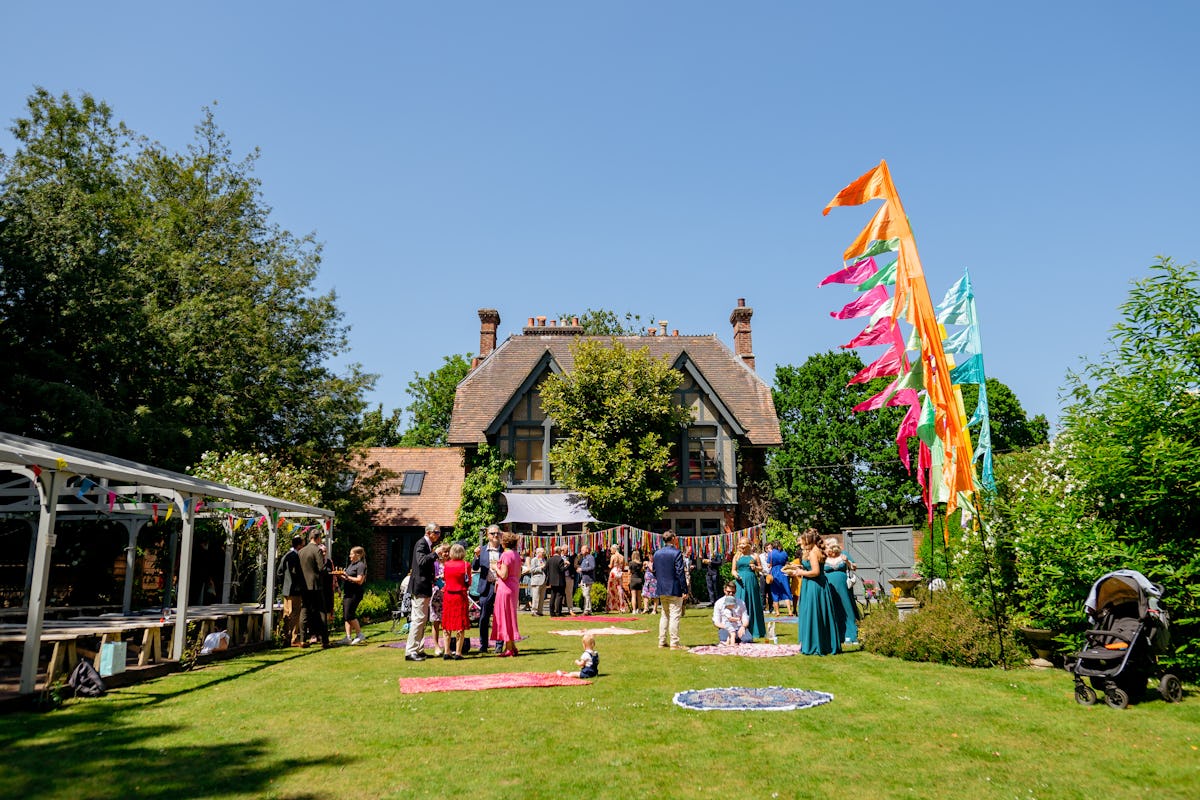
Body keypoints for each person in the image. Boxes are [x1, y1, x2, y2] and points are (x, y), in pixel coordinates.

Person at [788, 530, 840, 656]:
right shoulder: (817, 550)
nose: (801, 542)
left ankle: (814, 644)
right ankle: (823, 643)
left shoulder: (813, 552)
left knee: (812, 613)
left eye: (803, 540)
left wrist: (800, 573)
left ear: (808, 540)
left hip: (814, 585)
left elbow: (816, 572)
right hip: (817, 585)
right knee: (819, 614)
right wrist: (801, 568)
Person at [404, 523, 442, 662]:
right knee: (418, 619)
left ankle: (419, 649)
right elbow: (421, 562)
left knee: (422, 620)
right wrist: (435, 554)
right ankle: (411, 651)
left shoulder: (427, 545)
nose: (439, 535)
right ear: (429, 532)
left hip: (424, 586)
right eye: (437, 532)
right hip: (419, 587)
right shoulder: (421, 543)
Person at [653, 531, 688, 649]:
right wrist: (685, 589)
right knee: (674, 615)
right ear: (673, 538)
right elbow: (680, 571)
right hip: (674, 587)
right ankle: (674, 642)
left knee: (664, 614)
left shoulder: (657, 553)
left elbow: (654, 570)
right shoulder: (676, 552)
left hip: (661, 588)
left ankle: (662, 641)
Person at [492, 532, 522, 656]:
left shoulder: (505, 555)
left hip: (505, 588)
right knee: (510, 615)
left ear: (504, 543)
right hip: (514, 587)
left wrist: (495, 567)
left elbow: (503, 575)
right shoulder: (516, 555)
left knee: (504, 617)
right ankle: (512, 645)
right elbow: (518, 574)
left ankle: (509, 647)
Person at [473, 526, 503, 654]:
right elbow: (475, 566)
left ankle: (499, 644)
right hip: (486, 586)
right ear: (487, 535)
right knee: (484, 617)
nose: (495, 535)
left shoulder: (504, 550)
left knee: (500, 617)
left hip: (501, 586)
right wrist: (476, 556)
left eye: (497, 533)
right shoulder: (482, 550)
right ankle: (483, 644)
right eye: (492, 533)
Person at [823, 537, 859, 645]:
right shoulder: (824, 556)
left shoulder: (843, 554)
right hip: (829, 586)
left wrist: (847, 561)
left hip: (843, 586)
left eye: (827, 545)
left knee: (846, 608)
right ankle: (835, 635)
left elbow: (854, 567)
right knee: (832, 608)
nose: (825, 548)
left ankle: (851, 634)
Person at [298, 531, 329, 649]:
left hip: (304, 586)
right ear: (317, 538)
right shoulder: (317, 550)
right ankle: (324, 640)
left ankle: (302, 639)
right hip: (315, 585)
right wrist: (329, 573)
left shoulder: (301, 551)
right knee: (321, 611)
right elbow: (321, 568)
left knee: (304, 610)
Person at [440, 543, 470, 659]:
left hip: (448, 595)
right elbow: (468, 582)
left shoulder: (446, 565)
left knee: (447, 624)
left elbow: (445, 579)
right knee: (460, 624)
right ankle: (458, 652)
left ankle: (447, 651)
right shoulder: (466, 565)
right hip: (460, 596)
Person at [733, 537, 766, 640]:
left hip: (751, 581)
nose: (742, 546)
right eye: (740, 544)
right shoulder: (737, 556)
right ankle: (738, 628)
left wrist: (755, 568)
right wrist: (736, 575)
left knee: (752, 602)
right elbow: (733, 570)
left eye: (744, 544)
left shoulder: (755, 556)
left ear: (749, 544)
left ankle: (754, 628)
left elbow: (761, 568)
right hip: (740, 582)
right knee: (740, 602)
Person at [275, 534, 305, 647]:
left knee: (287, 614)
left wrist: (285, 584)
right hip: (294, 591)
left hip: (286, 590)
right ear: (299, 546)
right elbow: (295, 573)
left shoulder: (286, 555)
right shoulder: (294, 556)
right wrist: (296, 584)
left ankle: (285, 637)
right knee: (295, 614)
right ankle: (293, 638)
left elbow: (279, 572)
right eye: (303, 545)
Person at [336, 546, 368, 645]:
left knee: (350, 614)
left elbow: (359, 580)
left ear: (357, 555)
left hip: (355, 593)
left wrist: (347, 576)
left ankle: (359, 634)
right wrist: (340, 575)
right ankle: (348, 637)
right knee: (346, 615)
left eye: (351, 554)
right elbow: (348, 577)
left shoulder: (361, 565)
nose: (350, 556)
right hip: (348, 592)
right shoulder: (351, 565)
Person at [711, 581, 753, 645]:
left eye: (733, 592)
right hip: (725, 626)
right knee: (724, 639)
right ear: (724, 590)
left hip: (739, 626)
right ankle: (734, 641)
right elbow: (716, 622)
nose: (731, 594)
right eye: (728, 592)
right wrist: (726, 627)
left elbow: (745, 618)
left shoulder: (741, 603)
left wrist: (743, 627)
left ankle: (737, 640)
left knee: (748, 639)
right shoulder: (719, 603)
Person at [429, 543, 449, 656]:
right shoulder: (434, 564)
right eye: (443, 551)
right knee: (435, 621)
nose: (445, 554)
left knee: (446, 622)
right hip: (436, 594)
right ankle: (436, 646)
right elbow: (431, 578)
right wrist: (437, 578)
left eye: (447, 551)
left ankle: (447, 647)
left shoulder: (450, 564)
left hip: (447, 594)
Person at [766, 541, 794, 617]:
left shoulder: (771, 554)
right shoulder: (784, 553)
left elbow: (768, 565)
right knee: (785, 590)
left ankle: (777, 612)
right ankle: (790, 611)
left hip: (774, 572)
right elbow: (787, 562)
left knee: (775, 592)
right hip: (783, 572)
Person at [525, 547, 548, 615]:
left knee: (542, 597)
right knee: (535, 597)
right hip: (536, 581)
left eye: (544, 552)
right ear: (538, 553)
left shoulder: (544, 560)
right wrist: (541, 568)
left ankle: (540, 611)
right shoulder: (534, 560)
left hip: (544, 581)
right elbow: (532, 570)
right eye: (542, 552)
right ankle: (534, 611)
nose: (544, 553)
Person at [545, 543, 567, 616]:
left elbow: (545, 569)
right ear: (559, 551)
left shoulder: (549, 559)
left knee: (553, 596)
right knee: (559, 596)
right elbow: (562, 570)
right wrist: (567, 565)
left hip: (552, 580)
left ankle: (551, 612)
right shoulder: (560, 560)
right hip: (559, 581)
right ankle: (558, 612)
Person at [607, 547, 628, 612]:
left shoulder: (613, 556)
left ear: (614, 549)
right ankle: (622, 607)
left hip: (614, 572)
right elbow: (624, 567)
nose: (611, 551)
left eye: (611, 550)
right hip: (620, 572)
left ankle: (609, 607)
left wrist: (608, 566)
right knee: (620, 589)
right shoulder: (622, 556)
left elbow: (610, 566)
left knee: (610, 589)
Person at [576, 544, 596, 614]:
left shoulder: (590, 557)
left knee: (586, 594)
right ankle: (589, 609)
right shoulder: (584, 558)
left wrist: (582, 569)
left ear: (587, 550)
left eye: (583, 549)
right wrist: (579, 569)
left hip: (588, 579)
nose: (581, 551)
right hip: (583, 579)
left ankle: (587, 610)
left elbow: (592, 567)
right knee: (586, 594)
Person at [562, 545, 578, 614]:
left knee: (569, 593)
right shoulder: (558, 557)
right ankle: (558, 609)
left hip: (569, 577)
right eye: (566, 549)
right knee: (560, 594)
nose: (567, 550)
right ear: (562, 550)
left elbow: (574, 565)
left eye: (568, 549)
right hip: (561, 578)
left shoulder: (571, 557)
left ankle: (570, 609)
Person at [628, 548, 644, 614]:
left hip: (633, 579)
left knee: (633, 596)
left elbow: (629, 572)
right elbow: (642, 571)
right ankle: (639, 610)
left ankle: (634, 610)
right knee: (639, 596)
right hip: (639, 579)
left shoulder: (631, 563)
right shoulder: (640, 563)